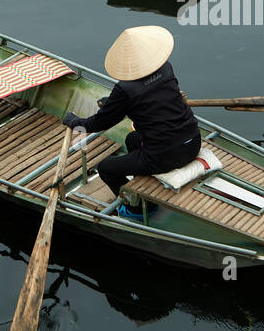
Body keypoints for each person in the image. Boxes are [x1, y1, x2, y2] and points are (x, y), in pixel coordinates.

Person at [63, 26, 200, 219]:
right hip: (192, 142)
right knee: (132, 140)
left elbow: (98, 123)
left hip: (164, 156)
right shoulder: (165, 68)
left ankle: (135, 208)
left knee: (106, 168)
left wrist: (73, 121)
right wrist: (115, 103)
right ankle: (144, 187)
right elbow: (151, 97)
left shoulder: (125, 89)